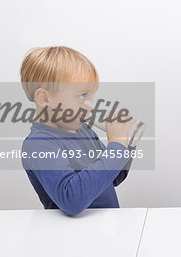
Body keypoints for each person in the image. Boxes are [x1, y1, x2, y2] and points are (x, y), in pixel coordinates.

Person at [20, 46, 136, 215]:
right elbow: (72, 200)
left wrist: (125, 144)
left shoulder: (83, 130)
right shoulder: (39, 145)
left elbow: (112, 179)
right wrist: (116, 147)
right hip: (73, 237)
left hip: (103, 231)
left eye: (91, 96)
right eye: (82, 96)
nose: (90, 106)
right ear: (45, 98)